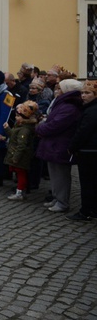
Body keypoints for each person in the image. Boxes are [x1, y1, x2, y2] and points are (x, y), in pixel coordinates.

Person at [37, 78, 83, 213]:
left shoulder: (69, 107)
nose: (57, 90)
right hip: (54, 144)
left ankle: (62, 202)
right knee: (54, 175)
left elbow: (55, 125)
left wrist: (40, 128)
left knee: (61, 176)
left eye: (60, 88)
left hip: (60, 145)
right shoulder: (62, 103)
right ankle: (57, 198)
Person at [67, 80, 97, 220]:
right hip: (90, 150)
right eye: (82, 93)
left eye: (87, 93)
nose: (83, 96)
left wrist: (72, 146)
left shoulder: (91, 111)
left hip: (88, 151)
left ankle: (86, 211)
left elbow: (83, 131)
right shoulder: (89, 108)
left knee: (87, 183)